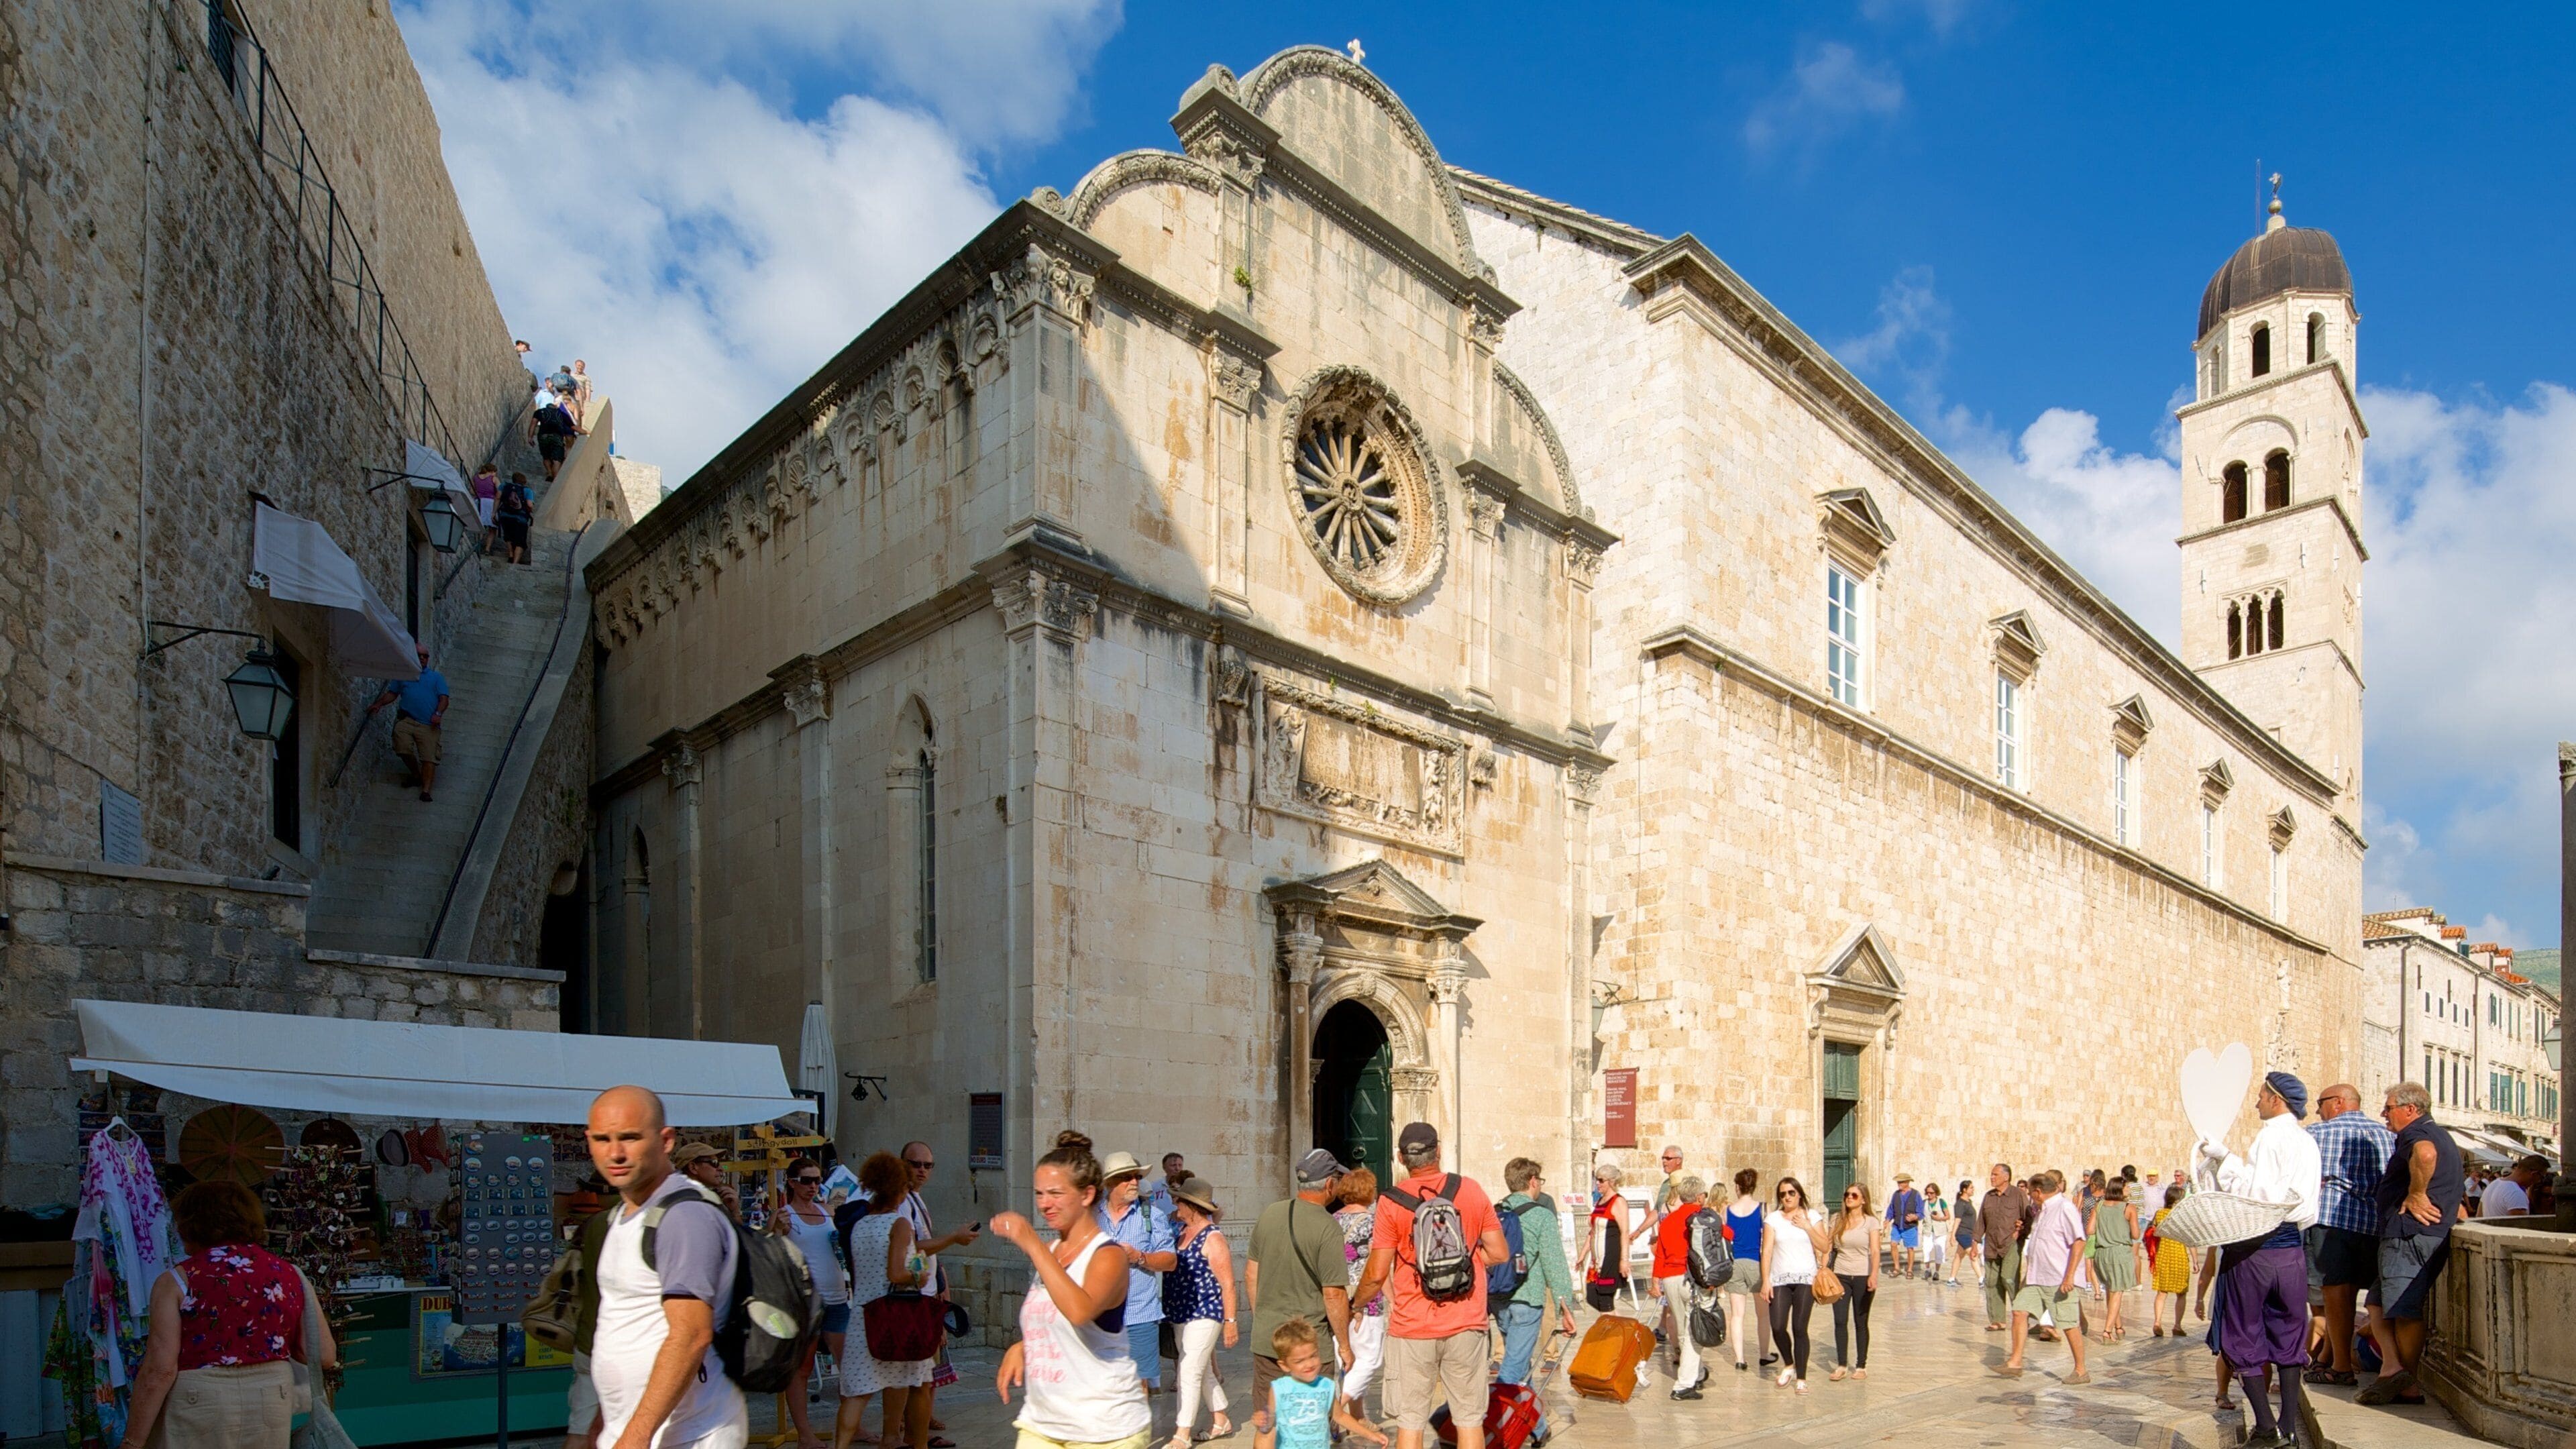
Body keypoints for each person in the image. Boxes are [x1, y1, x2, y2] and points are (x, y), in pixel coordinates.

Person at [115, 1180, 335, 1449]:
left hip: (199, 1401)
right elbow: (323, 1355)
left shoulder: (178, 1280)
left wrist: (132, 1442)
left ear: (191, 1224)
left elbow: (160, 1371)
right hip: (271, 1399)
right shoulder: (290, 1275)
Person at [584, 1085, 746, 1449]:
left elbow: (690, 1335)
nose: (615, 1153)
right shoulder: (626, 1215)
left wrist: (636, 1436)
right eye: (602, 1139)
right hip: (642, 1431)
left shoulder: (683, 1216)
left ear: (666, 1140)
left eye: (629, 1138)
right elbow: (626, 1323)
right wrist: (604, 1423)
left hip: (688, 1434)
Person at [1352, 1123, 1510, 1449]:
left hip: (1412, 1326)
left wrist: (1355, 1305)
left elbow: (1377, 1273)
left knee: (1410, 1423)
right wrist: (1467, 1261)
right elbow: (1499, 1252)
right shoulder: (1471, 1190)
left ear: (1400, 1157)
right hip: (1467, 1321)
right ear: (1438, 1151)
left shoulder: (1390, 1202)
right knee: (1469, 1420)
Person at [994, 1132, 1150, 1449]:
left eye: (1055, 1193)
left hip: (1105, 1430)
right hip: (1041, 1424)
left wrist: (1032, 1244)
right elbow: (1054, 1313)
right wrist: (1023, 1346)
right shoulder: (1051, 1251)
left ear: (1087, 1194)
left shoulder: (1108, 1256)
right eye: (1039, 1194)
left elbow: (1080, 1311)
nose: (1044, 1204)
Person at [2200, 1071, 2322, 1447]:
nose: (2256, 1103)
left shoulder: (2271, 1137)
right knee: (2288, 1333)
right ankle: (2287, 1425)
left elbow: (2259, 1195)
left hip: (2256, 1247)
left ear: (2276, 1099)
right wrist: (2229, 1159)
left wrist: (2224, 1164)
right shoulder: (2307, 1141)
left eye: (2260, 1097)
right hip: (2291, 1250)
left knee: (2243, 1333)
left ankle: (2268, 1428)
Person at [2357, 1081, 2464, 1409]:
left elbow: (2426, 1155)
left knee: (2403, 1310)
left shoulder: (2417, 1136)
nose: (2384, 1115)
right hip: (2412, 1235)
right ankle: (2393, 1369)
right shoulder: (2438, 1133)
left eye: (2388, 1108)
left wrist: (2417, 1194)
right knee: (2376, 1304)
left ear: (2410, 1110)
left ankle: (2409, 1383)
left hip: (2409, 1235)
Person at [829, 1153, 933, 1449]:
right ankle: (909, 1441)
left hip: (865, 1315)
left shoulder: (860, 1224)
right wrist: (920, 1273)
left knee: (858, 1393)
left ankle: (842, 1445)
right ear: (901, 1189)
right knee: (908, 1378)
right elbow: (897, 1272)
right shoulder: (900, 1224)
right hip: (896, 1316)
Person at [1248, 1150, 1354, 1439]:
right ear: (1330, 1185)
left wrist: (1265, 1320)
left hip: (1269, 1339)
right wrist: (1345, 1346)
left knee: (1267, 1420)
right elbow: (1333, 1294)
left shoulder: (1270, 1213)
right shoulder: (1328, 1227)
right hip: (1310, 1343)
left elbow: (1251, 1274)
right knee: (1310, 1424)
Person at [888, 1141, 977, 1448]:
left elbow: (921, 1252)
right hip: (911, 1300)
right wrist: (953, 1238)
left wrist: (939, 1283)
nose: (923, 1170)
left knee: (925, 1377)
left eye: (928, 1165)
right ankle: (907, 1439)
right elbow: (912, 1248)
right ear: (902, 1164)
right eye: (916, 1164)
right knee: (917, 1379)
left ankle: (917, 1436)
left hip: (924, 1295)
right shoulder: (901, 1203)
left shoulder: (915, 1200)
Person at [2306, 1081, 2394, 1386]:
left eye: (2320, 1102)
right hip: (2373, 1225)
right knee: (2361, 1295)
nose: (2317, 1110)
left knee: (2337, 1296)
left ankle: (2341, 1365)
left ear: (2339, 1102)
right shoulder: (2386, 1135)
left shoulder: (2317, 1134)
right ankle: (2328, 1356)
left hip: (2334, 1221)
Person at [1494, 1158, 1576, 1433]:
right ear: (1532, 1181)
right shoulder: (1542, 1215)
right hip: (1528, 1301)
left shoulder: (1496, 1211)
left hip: (1499, 1300)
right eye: (1539, 1180)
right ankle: (1494, 1430)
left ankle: (1539, 1428)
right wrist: (1567, 1306)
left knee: (1521, 1362)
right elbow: (1554, 1263)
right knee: (1511, 1373)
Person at [769, 1161, 847, 1449]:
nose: (813, 1186)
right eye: (806, 1180)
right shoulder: (785, 1215)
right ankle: (805, 1434)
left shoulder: (828, 1211)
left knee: (849, 1365)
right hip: (806, 1303)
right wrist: (777, 1230)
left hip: (837, 1297)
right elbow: (770, 1252)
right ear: (791, 1182)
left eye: (817, 1180)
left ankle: (854, 1424)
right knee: (801, 1368)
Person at [1996, 1169, 2090, 1385]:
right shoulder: (2042, 1211)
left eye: (2031, 1194)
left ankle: (2081, 1370)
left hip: (2058, 1278)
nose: (2030, 1197)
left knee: (2067, 1323)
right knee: (2019, 1311)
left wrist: (2070, 1276)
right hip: (2036, 1277)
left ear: (2038, 1192)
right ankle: (2016, 1361)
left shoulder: (2064, 1208)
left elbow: (2079, 1241)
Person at [1094, 1152, 1177, 1397]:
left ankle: (1138, 1434)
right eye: (1127, 1178)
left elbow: (1170, 1261)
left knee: (1139, 1387)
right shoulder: (1092, 1216)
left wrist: (1139, 1257)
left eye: (1137, 1177)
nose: (1134, 1182)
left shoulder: (1152, 1216)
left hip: (1140, 1315)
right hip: (1100, 1316)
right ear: (1109, 1183)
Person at [1164, 1177, 1238, 1449]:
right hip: (1182, 1310)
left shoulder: (1213, 1237)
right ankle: (1221, 1420)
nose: (1175, 1205)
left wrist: (1231, 1321)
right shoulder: (1181, 1232)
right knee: (1200, 1368)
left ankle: (1182, 1433)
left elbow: (1228, 1283)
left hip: (1206, 1311)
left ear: (1191, 1206)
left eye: (1179, 1201)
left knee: (1189, 1370)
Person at [1256, 1318, 1385, 1449]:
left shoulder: (1326, 1386)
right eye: (1299, 1361)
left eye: (1313, 1356)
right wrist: (1262, 1420)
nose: (1309, 1364)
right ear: (1284, 1365)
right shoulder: (1279, 1388)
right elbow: (1269, 1422)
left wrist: (1370, 1435)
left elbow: (1340, 1416)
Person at [1758, 1177, 1829, 1395]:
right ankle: (1789, 1363)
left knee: (1800, 1328)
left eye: (1790, 1193)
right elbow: (1767, 1251)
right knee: (1778, 1326)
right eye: (1782, 1194)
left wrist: (1807, 1226)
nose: (1787, 1197)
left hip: (1806, 1279)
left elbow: (1825, 1246)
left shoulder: (1812, 1216)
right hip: (1780, 1278)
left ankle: (1802, 1378)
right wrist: (1765, 1280)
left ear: (1799, 1194)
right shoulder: (1773, 1219)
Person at [1329, 1168, 1386, 1423]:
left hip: (1336, 1295)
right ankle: (1335, 1410)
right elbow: (1380, 1267)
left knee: (1347, 1360)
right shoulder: (1374, 1223)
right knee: (1371, 1360)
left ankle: (1357, 1418)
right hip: (1366, 1298)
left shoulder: (1330, 1220)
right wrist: (1394, 1300)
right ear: (1368, 1192)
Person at [1648, 1171, 1711, 1398]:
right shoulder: (1703, 1217)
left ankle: (1698, 1371)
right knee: (1694, 1331)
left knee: (1684, 1329)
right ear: (1700, 1196)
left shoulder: (1669, 1221)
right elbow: (1729, 1234)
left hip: (1670, 1279)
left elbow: (1660, 1254)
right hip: (1691, 1279)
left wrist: (1656, 1281)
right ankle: (1684, 1385)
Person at [365, 644, 450, 803]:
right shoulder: (403, 676)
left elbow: (444, 699)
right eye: (419, 655)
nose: (423, 658)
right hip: (407, 720)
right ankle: (416, 774)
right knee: (402, 747)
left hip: (428, 724)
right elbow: (392, 694)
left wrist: (438, 714)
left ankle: (425, 791)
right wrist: (378, 704)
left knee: (429, 757)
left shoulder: (436, 678)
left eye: (425, 656)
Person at [1825, 1183, 1883, 1383]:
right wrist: (1822, 1269)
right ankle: (1842, 1364)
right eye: (1847, 1194)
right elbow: (1828, 1246)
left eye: (1854, 1196)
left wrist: (1873, 1275)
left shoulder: (1871, 1223)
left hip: (1862, 1275)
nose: (1849, 1198)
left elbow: (1875, 1251)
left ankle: (1861, 1365)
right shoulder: (1837, 1219)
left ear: (1863, 1200)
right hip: (1840, 1275)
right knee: (1840, 1320)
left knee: (1861, 1321)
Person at [1719, 1168, 1767, 1371]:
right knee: (1763, 1314)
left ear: (1737, 1187)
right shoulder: (1763, 1209)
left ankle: (1740, 1359)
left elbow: (1724, 1241)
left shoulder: (1727, 1211)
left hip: (1735, 1263)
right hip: (1757, 1263)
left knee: (1737, 1315)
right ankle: (1764, 1354)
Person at [1978, 1163, 2033, 1332]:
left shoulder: (2018, 1195)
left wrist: (2021, 1231)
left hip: (2011, 1244)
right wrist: (1975, 1242)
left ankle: (2021, 1317)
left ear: (2006, 1177)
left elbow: (2028, 1217)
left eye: (1995, 1174)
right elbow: (1981, 1221)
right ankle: (1997, 1320)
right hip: (1991, 1245)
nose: (1992, 1177)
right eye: (1991, 1174)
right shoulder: (1989, 1196)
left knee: (2008, 1279)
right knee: (1992, 1281)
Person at [2088, 1180, 2138, 1340]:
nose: (2129, 1189)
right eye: (2126, 1187)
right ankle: (2107, 1331)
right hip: (2119, 1253)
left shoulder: (2099, 1206)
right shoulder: (2129, 1208)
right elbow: (2136, 1235)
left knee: (2111, 1289)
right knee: (2117, 1292)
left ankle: (2119, 1326)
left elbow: (2090, 1230)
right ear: (2119, 1189)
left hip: (2102, 1253)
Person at [1579, 1163, 1629, 1311]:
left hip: (1610, 1257)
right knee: (1592, 1296)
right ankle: (1611, 1328)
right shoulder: (1600, 1202)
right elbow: (1593, 1231)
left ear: (1611, 1182)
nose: (1597, 1183)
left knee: (1605, 1299)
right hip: (1597, 1260)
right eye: (1596, 1179)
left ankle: (1611, 1331)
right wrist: (1583, 1254)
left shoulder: (1618, 1201)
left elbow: (1625, 1232)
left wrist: (1624, 1260)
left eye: (1601, 1180)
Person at [2148, 1182, 2192, 1336]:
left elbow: (2151, 1233)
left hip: (2163, 1256)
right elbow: (2189, 1240)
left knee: (2162, 1292)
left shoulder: (2160, 1214)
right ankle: (2177, 1326)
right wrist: (2195, 1261)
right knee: (2181, 1293)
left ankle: (2157, 1322)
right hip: (2179, 1256)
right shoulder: (2183, 1216)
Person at [672, 1142, 741, 1217]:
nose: (721, 1169)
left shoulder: (704, 1198)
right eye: (715, 1162)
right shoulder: (689, 1204)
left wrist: (734, 1212)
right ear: (693, 1168)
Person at [533, 388, 584, 480]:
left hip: (551, 431)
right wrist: (582, 431)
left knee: (546, 456)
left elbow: (534, 423)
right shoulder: (573, 406)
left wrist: (530, 436)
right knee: (567, 448)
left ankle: (549, 473)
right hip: (568, 428)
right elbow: (576, 420)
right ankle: (562, 466)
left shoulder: (558, 405)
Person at [1884, 1173, 1923, 1281]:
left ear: (1907, 1183)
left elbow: (1921, 1212)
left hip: (1910, 1227)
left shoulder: (1916, 1195)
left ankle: (1909, 1270)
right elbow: (1891, 1208)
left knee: (1910, 1248)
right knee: (1893, 1244)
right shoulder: (1896, 1195)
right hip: (1897, 1225)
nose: (1899, 1184)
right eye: (1898, 1182)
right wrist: (1887, 1219)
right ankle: (1897, 1268)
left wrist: (1915, 1217)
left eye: (1901, 1182)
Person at [2483, 1154, 2544, 1218]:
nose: (2539, 1181)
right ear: (2534, 1174)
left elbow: (2479, 1216)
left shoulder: (2492, 1185)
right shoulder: (2516, 1192)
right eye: (2542, 1177)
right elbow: (2520, 1225)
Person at [496, 470, 537, 565]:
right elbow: (530, 505)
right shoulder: (527, 491)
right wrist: (530, 512)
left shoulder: (504, 486)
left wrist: (494, 513)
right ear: (524, 481)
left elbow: (497, 498)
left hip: (505, 515)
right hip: (520, 518)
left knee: (508, 536)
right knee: (520, 541)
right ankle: (515, 563)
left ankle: (511, 554)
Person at [1949, 1179, 1979, 1287]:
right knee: (1974, 1255)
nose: (1973, 1190)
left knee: (1959, 1256)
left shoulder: (1968, 1202)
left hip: (1969, 1233)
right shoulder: (1960, 1204)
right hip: (1963, 1233)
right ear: (1964, 1190)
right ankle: (1981, 1280)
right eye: (1971, 1188)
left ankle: (1951, 1279)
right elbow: (1957, 1220)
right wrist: (1952, 1235)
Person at [1923, 1181, 1952, 1286]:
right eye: (1928, 1193)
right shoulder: (1924, 1203)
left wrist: (1939, 1218)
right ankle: (1927, 1269)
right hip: (1928, 1230)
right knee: (1926, 1249)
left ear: (1936, 1193)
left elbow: (1948, 1216)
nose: (1929, 1195)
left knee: (1939, 1251)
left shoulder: (1941, 1202)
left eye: (1931, 1193)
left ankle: (1937, 1272)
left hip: (1940, 1230)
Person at [471, 462, 501, 551]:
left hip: (479, 502)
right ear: (492, 471)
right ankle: (487, 549)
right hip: (490, 503)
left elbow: (472, 491)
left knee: (480, 525)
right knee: (492, 528)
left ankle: (477, 546)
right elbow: (500, 492)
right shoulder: (494, 479)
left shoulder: (475, 478)